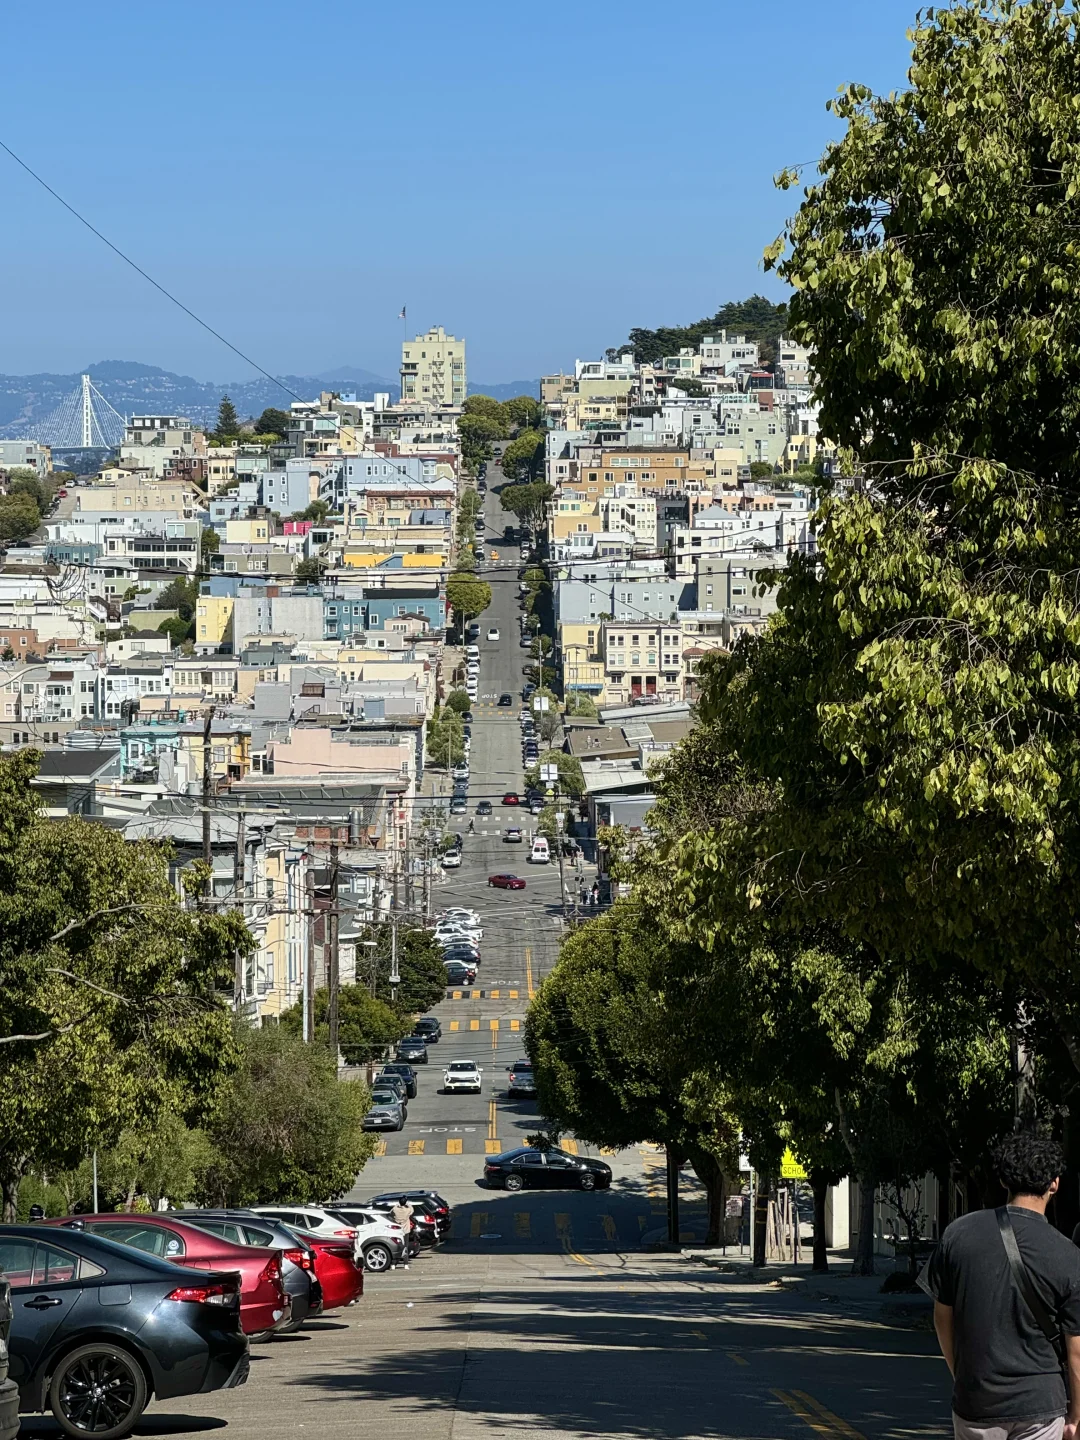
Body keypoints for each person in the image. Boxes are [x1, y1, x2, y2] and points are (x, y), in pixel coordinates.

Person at [922, 1134, 1080, 1440]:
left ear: (1004, 1181)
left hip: (977, 1402)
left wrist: (962, 1376)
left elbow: (943, 1317)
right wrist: (1075, 1416)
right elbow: (1076, 1349)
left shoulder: (959, 1234)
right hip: (1041, 1405)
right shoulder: (1069, 1256)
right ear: (1055, 1184)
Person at [391, 1196, 413, 1269]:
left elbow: (391, 1212)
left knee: (396, 1247)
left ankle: (393, 1264)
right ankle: (405, 1264)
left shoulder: (395, 1209)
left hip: (397, 1231)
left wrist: (398, 1205)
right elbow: (412, 1209)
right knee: (405, 1248)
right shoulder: (407, 1210)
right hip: (405, 1231)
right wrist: (408, 1203)